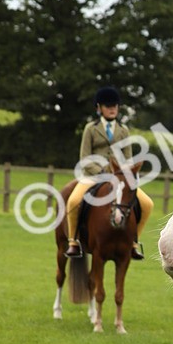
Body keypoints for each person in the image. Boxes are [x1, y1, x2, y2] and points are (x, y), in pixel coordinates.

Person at [65, 86, 153, 260]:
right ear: (99, 108)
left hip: (118, 179)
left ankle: (134, 242)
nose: (112, 108)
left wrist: (124, 173)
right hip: (93, 176)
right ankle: (73, 242)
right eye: (108, 105)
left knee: (147, 204)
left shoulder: (123, 130)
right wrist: (102, 172)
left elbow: (127, 158)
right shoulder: (91, 128)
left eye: (115, 105)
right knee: (73, 201)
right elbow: (84, 158)